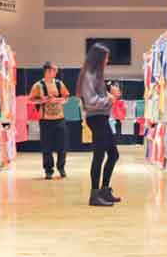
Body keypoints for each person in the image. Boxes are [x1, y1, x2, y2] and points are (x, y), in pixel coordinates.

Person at [77, 43, 122, 207]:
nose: (108, 61)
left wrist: (111, 97)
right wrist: (110, 98)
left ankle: (103, 190)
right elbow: (91, 101)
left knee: (113, 155)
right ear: (99, 58)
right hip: (96, 118)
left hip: (101, 118)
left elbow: (99, 100)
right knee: (99, 156)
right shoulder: (89, 75)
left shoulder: (95, 75)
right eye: (106, 58)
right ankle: (94, 194)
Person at [29, 61, 70, 180]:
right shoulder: (38, 85)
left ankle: (61, 167)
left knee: (62, 146)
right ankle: (48, 170)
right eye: (54, 70)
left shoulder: (59, 84)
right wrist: (43, 100)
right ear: (47, 71)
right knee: (46, 147)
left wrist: (57, 100)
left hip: (60, 119)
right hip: (45, 120)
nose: (56, 72)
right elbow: (30, 100)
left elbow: (66, 98)